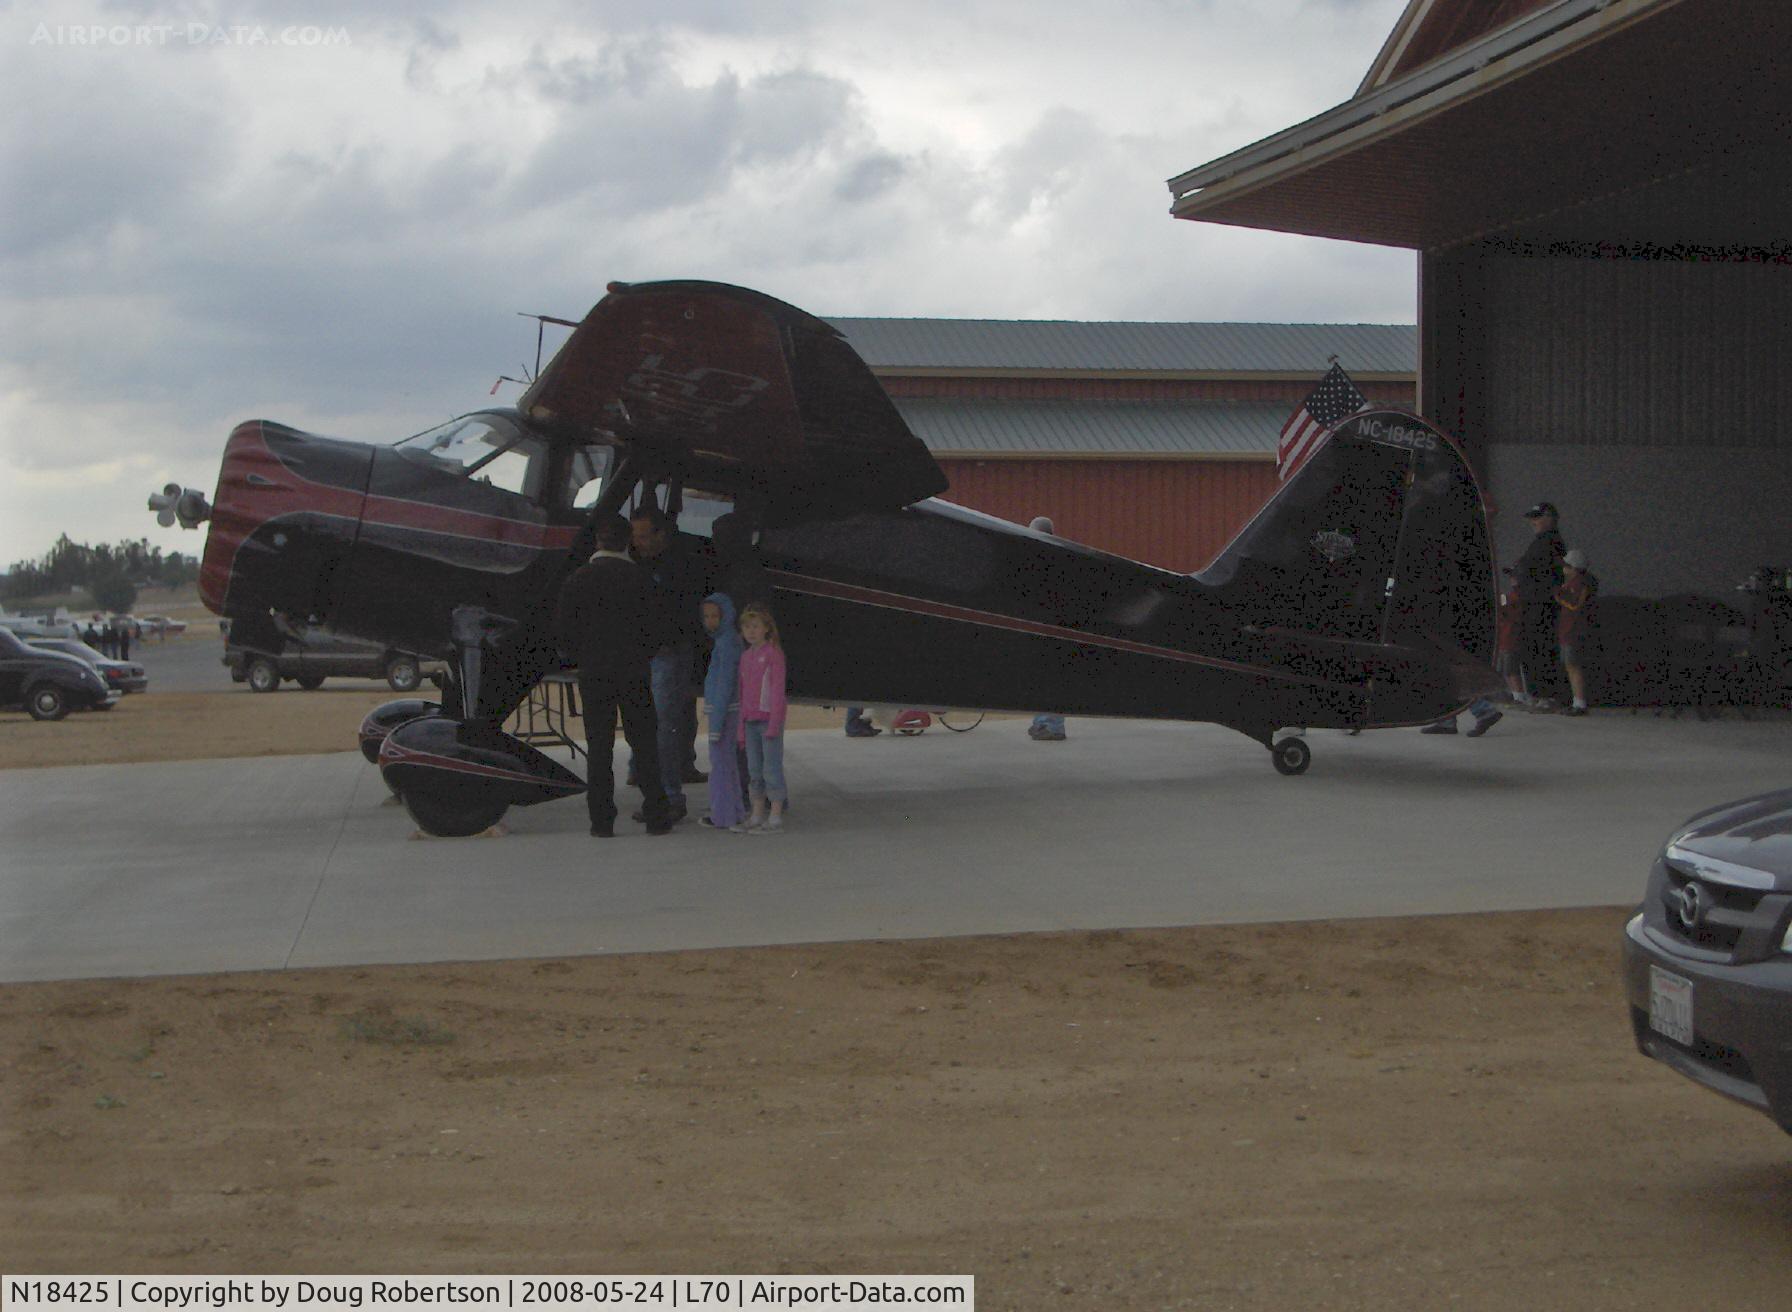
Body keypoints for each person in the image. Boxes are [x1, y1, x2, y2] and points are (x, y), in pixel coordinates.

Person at [553, 514, 672, 837]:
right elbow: (656, 631)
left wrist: (584, 657)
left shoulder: (578, 580)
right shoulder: (642, 580)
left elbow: (564, 634)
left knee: (600, 746)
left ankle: (601, 821)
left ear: (597, 541)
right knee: (645, 743)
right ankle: (658, 813)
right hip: (633, 671)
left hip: (594, 673)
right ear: (627, 541)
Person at [630, 504, 705, 823]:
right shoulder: (639, 564)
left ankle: (670, 795)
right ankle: (654, 788)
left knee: (664, 725)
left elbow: (682, 612)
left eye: (645, 536)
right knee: (650, 723)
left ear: (662, 534)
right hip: (647, 652)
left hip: (667, 652)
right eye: (636, 537)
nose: (639, 543)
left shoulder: (678, 566)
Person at [735, 603, 789, 834]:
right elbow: (743, 692)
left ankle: (775, 812)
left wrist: (775, 721)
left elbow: (777, 691)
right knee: (754, 769)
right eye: (747, 627)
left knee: (771, 767)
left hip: (768, 720)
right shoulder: (746, 657)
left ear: (766, 628)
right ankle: (757, 812)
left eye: (755, 626)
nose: (751, 631)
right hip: (749, 721)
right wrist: (740, 727)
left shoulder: (773, 654)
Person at [699, 593, 749, 830]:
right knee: (728, 764)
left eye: (714, 616)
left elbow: (725, 684)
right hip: (728, 710)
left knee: (720, 765)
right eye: (706, 616)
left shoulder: (726, 643)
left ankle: (722, 814)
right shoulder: (728, 640)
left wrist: (716, 723)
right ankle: (734, 811)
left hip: (725, 712)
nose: (710, 621)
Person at [1514, 502, 1566, 707]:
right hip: (1533, 604)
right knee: (1531, 648)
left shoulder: (1552, 542)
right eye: (1532, 518)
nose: (1532, 522)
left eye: (1537, 518)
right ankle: (1537, 694)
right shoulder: (1540, 542)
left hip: (1542, 606)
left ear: (1550, 517)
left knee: (1542, 648)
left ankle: (1547, 695)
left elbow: (1546, 574)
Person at [1025, 516, 1068, 741]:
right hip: (1053, 626)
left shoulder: (1044, 557)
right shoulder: (1058, 555)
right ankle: (1043, 722)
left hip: (1048, 626)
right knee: (1046, 677)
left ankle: (1052, 725)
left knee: (1048, 678)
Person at [1556, 548, 1599, 716]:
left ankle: (1580, 704)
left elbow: (1574, 604)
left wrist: (1558, 594)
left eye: (1566, 566)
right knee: (1569, 666)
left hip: (1574, 631)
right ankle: (1576, 701)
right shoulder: (1572, 583)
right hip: (1568, 630)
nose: (1563, 569)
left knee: (1574, 666)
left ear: (1574, 568)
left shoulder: (1580, 584)